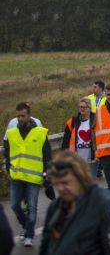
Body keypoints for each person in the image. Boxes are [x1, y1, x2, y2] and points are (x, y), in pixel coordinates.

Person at [39, 151, 110, 254]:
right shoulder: (55, 207)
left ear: (80, 177)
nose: (60, 188)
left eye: (65, 182)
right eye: (56, 183)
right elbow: (46, 245)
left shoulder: (106, 205)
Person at [4, 103, 51, 247]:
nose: (20, 118)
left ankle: (29, 235)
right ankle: (26, 226)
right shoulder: (12, 133)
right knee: (14, 205)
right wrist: (8, 169)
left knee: (32, 207)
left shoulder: (40, 132)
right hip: (17, 176)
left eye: (23, 116)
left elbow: (47, 155)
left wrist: (46, 172)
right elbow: (7, 153)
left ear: (29, 115)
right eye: (18, 116)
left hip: (34, 177)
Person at [61, 97, 97, 177]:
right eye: (80, 107)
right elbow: (66, 140)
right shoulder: (73, 121)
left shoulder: (96, 119)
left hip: (92, 158)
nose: (82, 109)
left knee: (90, 182)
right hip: (77, 159)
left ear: (89, 108)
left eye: (84, 107)